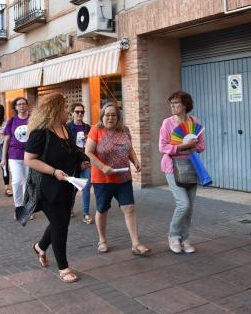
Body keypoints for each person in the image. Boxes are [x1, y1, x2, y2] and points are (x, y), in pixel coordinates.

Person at [25, 93, 89, 283]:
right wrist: (53, 172)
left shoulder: (64, 129)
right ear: (53, 110)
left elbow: (71, 151)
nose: (67, 111)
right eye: (64, 107)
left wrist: (82, 160)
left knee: (59, 222)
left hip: (66, 185)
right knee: (61, 224)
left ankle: (40, 247)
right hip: (47, 187)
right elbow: (29, 159)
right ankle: (63, 267)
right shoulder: (40, 132)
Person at [85, 102, 150, 256]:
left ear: (118, 116)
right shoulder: (96, 130)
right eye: (107, 114)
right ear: (102, 116)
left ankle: (135, 243)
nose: (110, 117)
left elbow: (129, 148)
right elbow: (88, 152)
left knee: (129, 208)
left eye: (114, 114)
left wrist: (135, 160)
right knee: (102, 209)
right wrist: (103, 167)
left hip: (123, 177)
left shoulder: (124, 130)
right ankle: (102, 240)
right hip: (103, 179)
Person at [158, 91, 205, 254]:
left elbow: (201, 146)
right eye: (171, 103)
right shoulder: (167, 123)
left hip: (191, 166)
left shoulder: (195, 122)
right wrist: (183, 146)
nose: (173, 106)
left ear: (185, 105)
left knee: (190, 206)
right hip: (172, 166)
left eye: (176, 103)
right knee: (183, 203)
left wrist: (194, 145)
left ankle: (185, 238)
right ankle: (173, 235)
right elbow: (162, 147)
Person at [1, 97, 30, 213]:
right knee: (17, 181)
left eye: (24, 104)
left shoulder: (33, 120)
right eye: (19, 104)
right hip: (14, 155)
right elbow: (6, 140)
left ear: (27, 106)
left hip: (30, 156)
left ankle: (28, 208)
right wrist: (3, 158)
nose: (22, 106)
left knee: (28, 182)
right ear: (16, 107)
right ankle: (19, 207)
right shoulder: (12, 121)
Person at [66, 102, 93, 224]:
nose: (80, 114)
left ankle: (86, 214)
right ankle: (70, 208)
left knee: (86, 187)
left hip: (85, 161)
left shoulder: (88, 128)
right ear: (72, 113)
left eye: (82, 112)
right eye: (77, 112)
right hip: (73, 163)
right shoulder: (67, 128)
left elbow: (93, 146)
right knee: (73, 188)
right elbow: (66, 147)